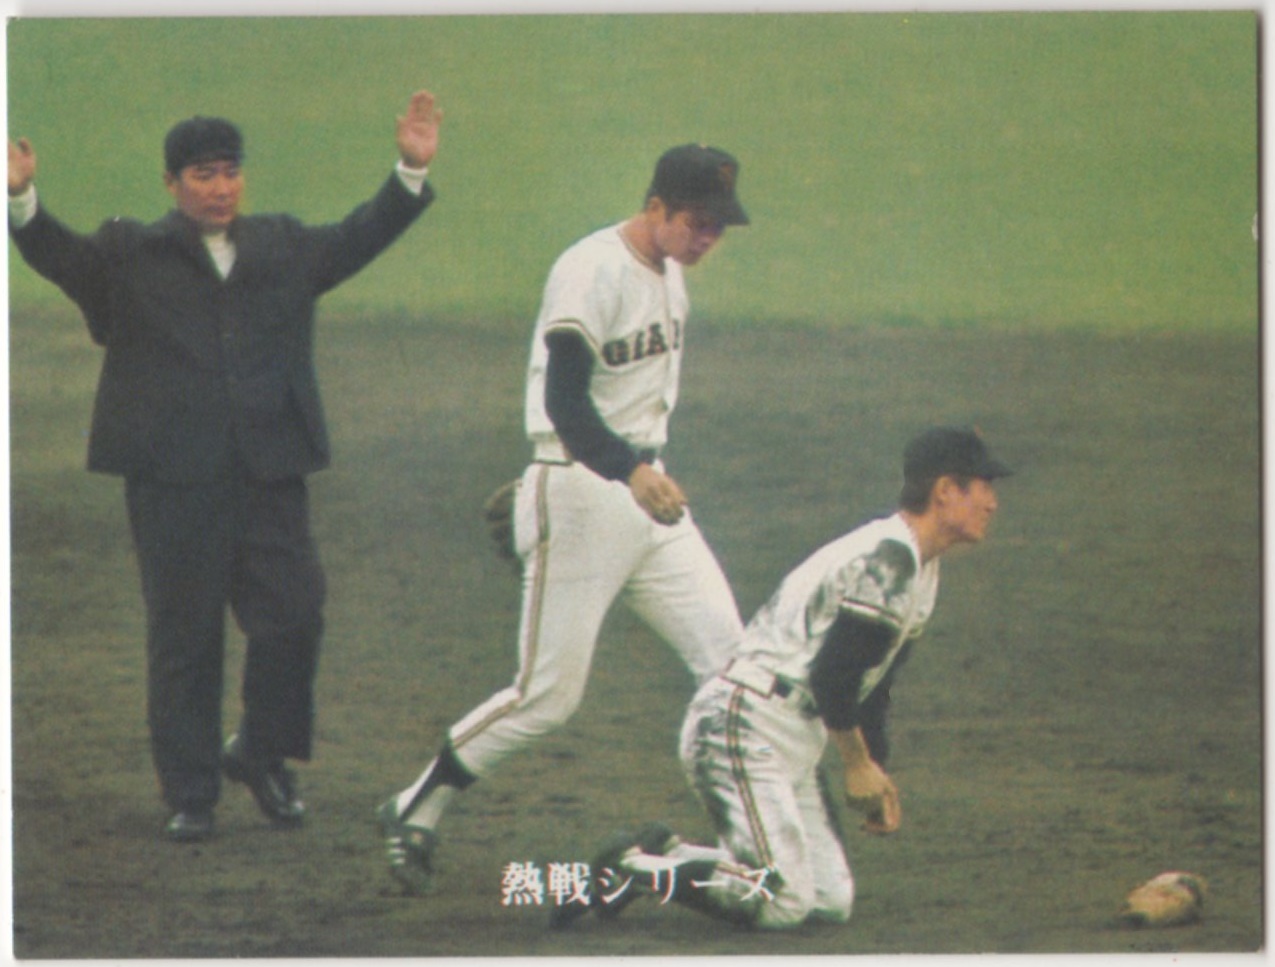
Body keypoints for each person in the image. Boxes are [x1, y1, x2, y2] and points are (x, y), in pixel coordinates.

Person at [8, 90, 444, 843]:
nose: (220, 188)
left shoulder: (281, 245)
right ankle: (191, 793)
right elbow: (60, 257)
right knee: (185, 636)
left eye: (230, 172)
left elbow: (356, 238)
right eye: (203, 175)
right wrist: (21, 199)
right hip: (172, 480)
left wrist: (409, 170)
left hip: (269, 471)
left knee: (295, 614)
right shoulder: (130, 253)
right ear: (171, 183)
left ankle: (261, 751)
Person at [377, 144, 751, 895]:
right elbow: (564, 402)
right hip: (585, 489)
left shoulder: (669, 271)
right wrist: (618, 473)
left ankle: (751, 837)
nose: (707, 238)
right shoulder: (590, 270)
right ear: (655, 207)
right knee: (548, 695)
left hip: (647, 497)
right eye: (696, 222)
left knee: (734, 669)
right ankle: (418, 801)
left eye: (718, 226)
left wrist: (638, 473)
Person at [559, 426, 1012, 930]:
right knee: (780, 901)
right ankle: (626, 868)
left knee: (829, 901)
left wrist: (874, 771)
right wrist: (855, 764)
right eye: (983, 487)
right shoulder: (889, 560)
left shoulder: (920, 570)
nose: (992, 503)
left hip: (790, 734)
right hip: (740, 727)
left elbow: (874, 686)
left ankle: (667, 853)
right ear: (946, 490)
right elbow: (833, 676)